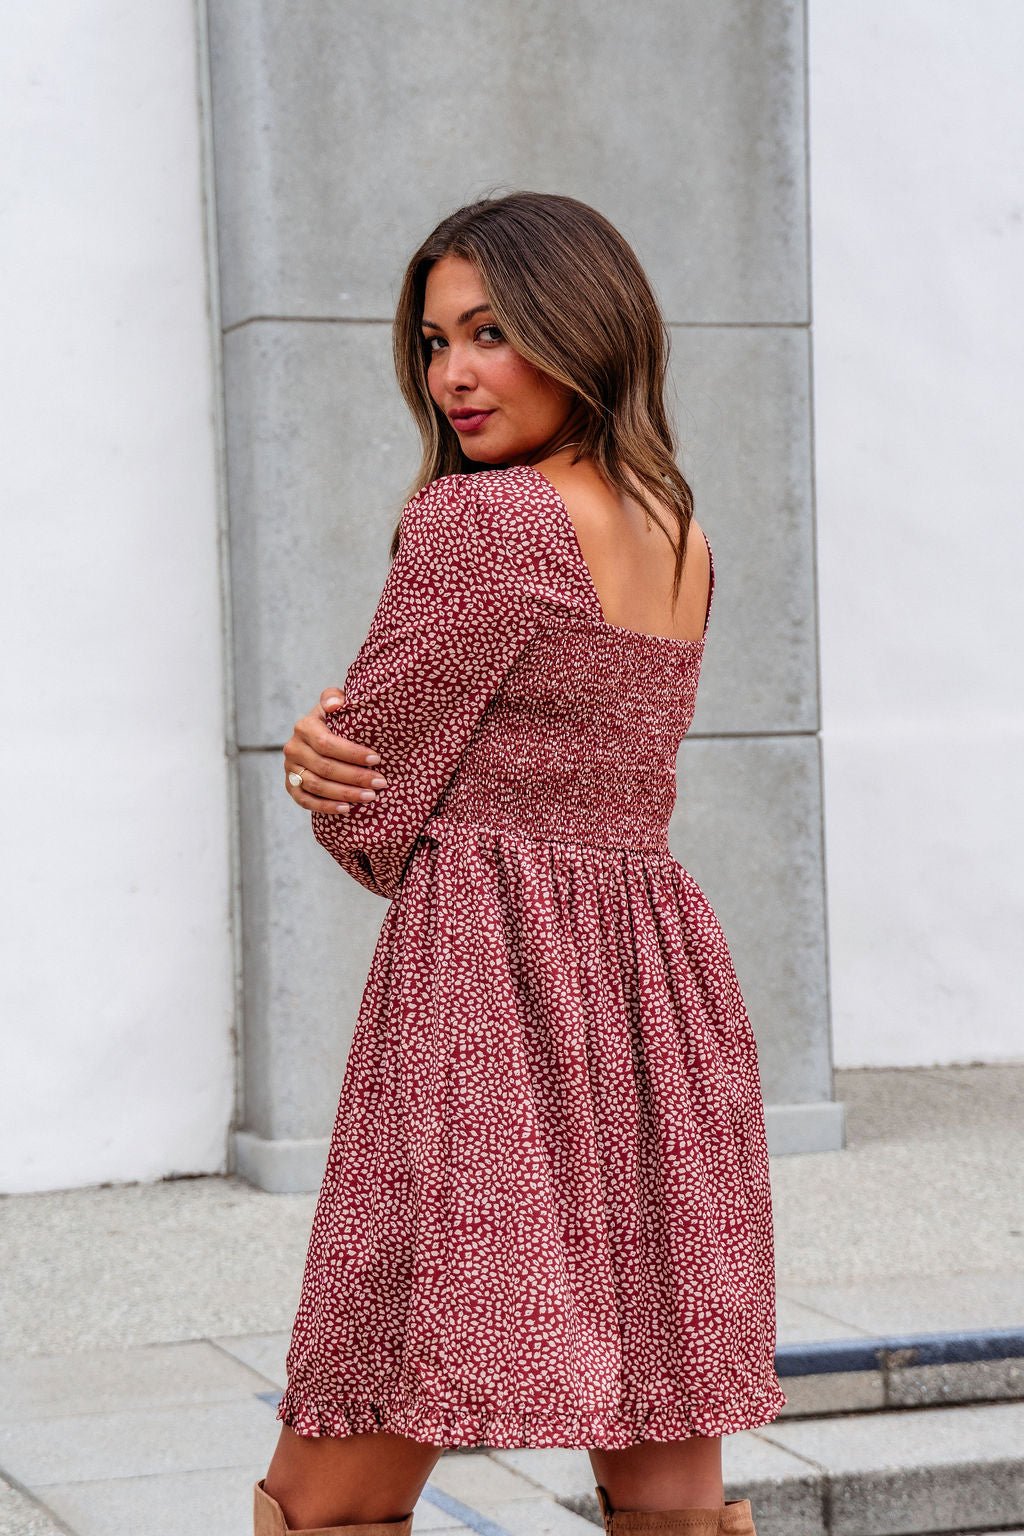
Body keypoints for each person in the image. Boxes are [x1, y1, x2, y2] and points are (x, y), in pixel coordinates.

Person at [256, 191, 786, 1536]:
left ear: (581, 325)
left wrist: (314, 755)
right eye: (436, 342)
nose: (452, 375)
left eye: (491, 332)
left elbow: (373, 806)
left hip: (491, 1008)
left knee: (324, 1500)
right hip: (658, 1005)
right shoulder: (682, 530)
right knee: (671, 1500)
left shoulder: (479, 526)